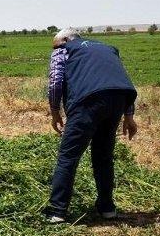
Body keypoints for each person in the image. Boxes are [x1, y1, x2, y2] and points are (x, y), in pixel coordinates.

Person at [44, 28, 138, 223]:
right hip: (117, 100)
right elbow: (119, 80)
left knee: (68, 156)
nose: (55, 50)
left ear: (66, 39)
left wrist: (54, 112)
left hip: (88, 101)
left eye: (56, 45)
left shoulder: (64, 50)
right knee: (103, 156)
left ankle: (57, 211)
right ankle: (107, 209)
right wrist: (129, 116)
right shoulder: (106, 49)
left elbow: (55, 81)